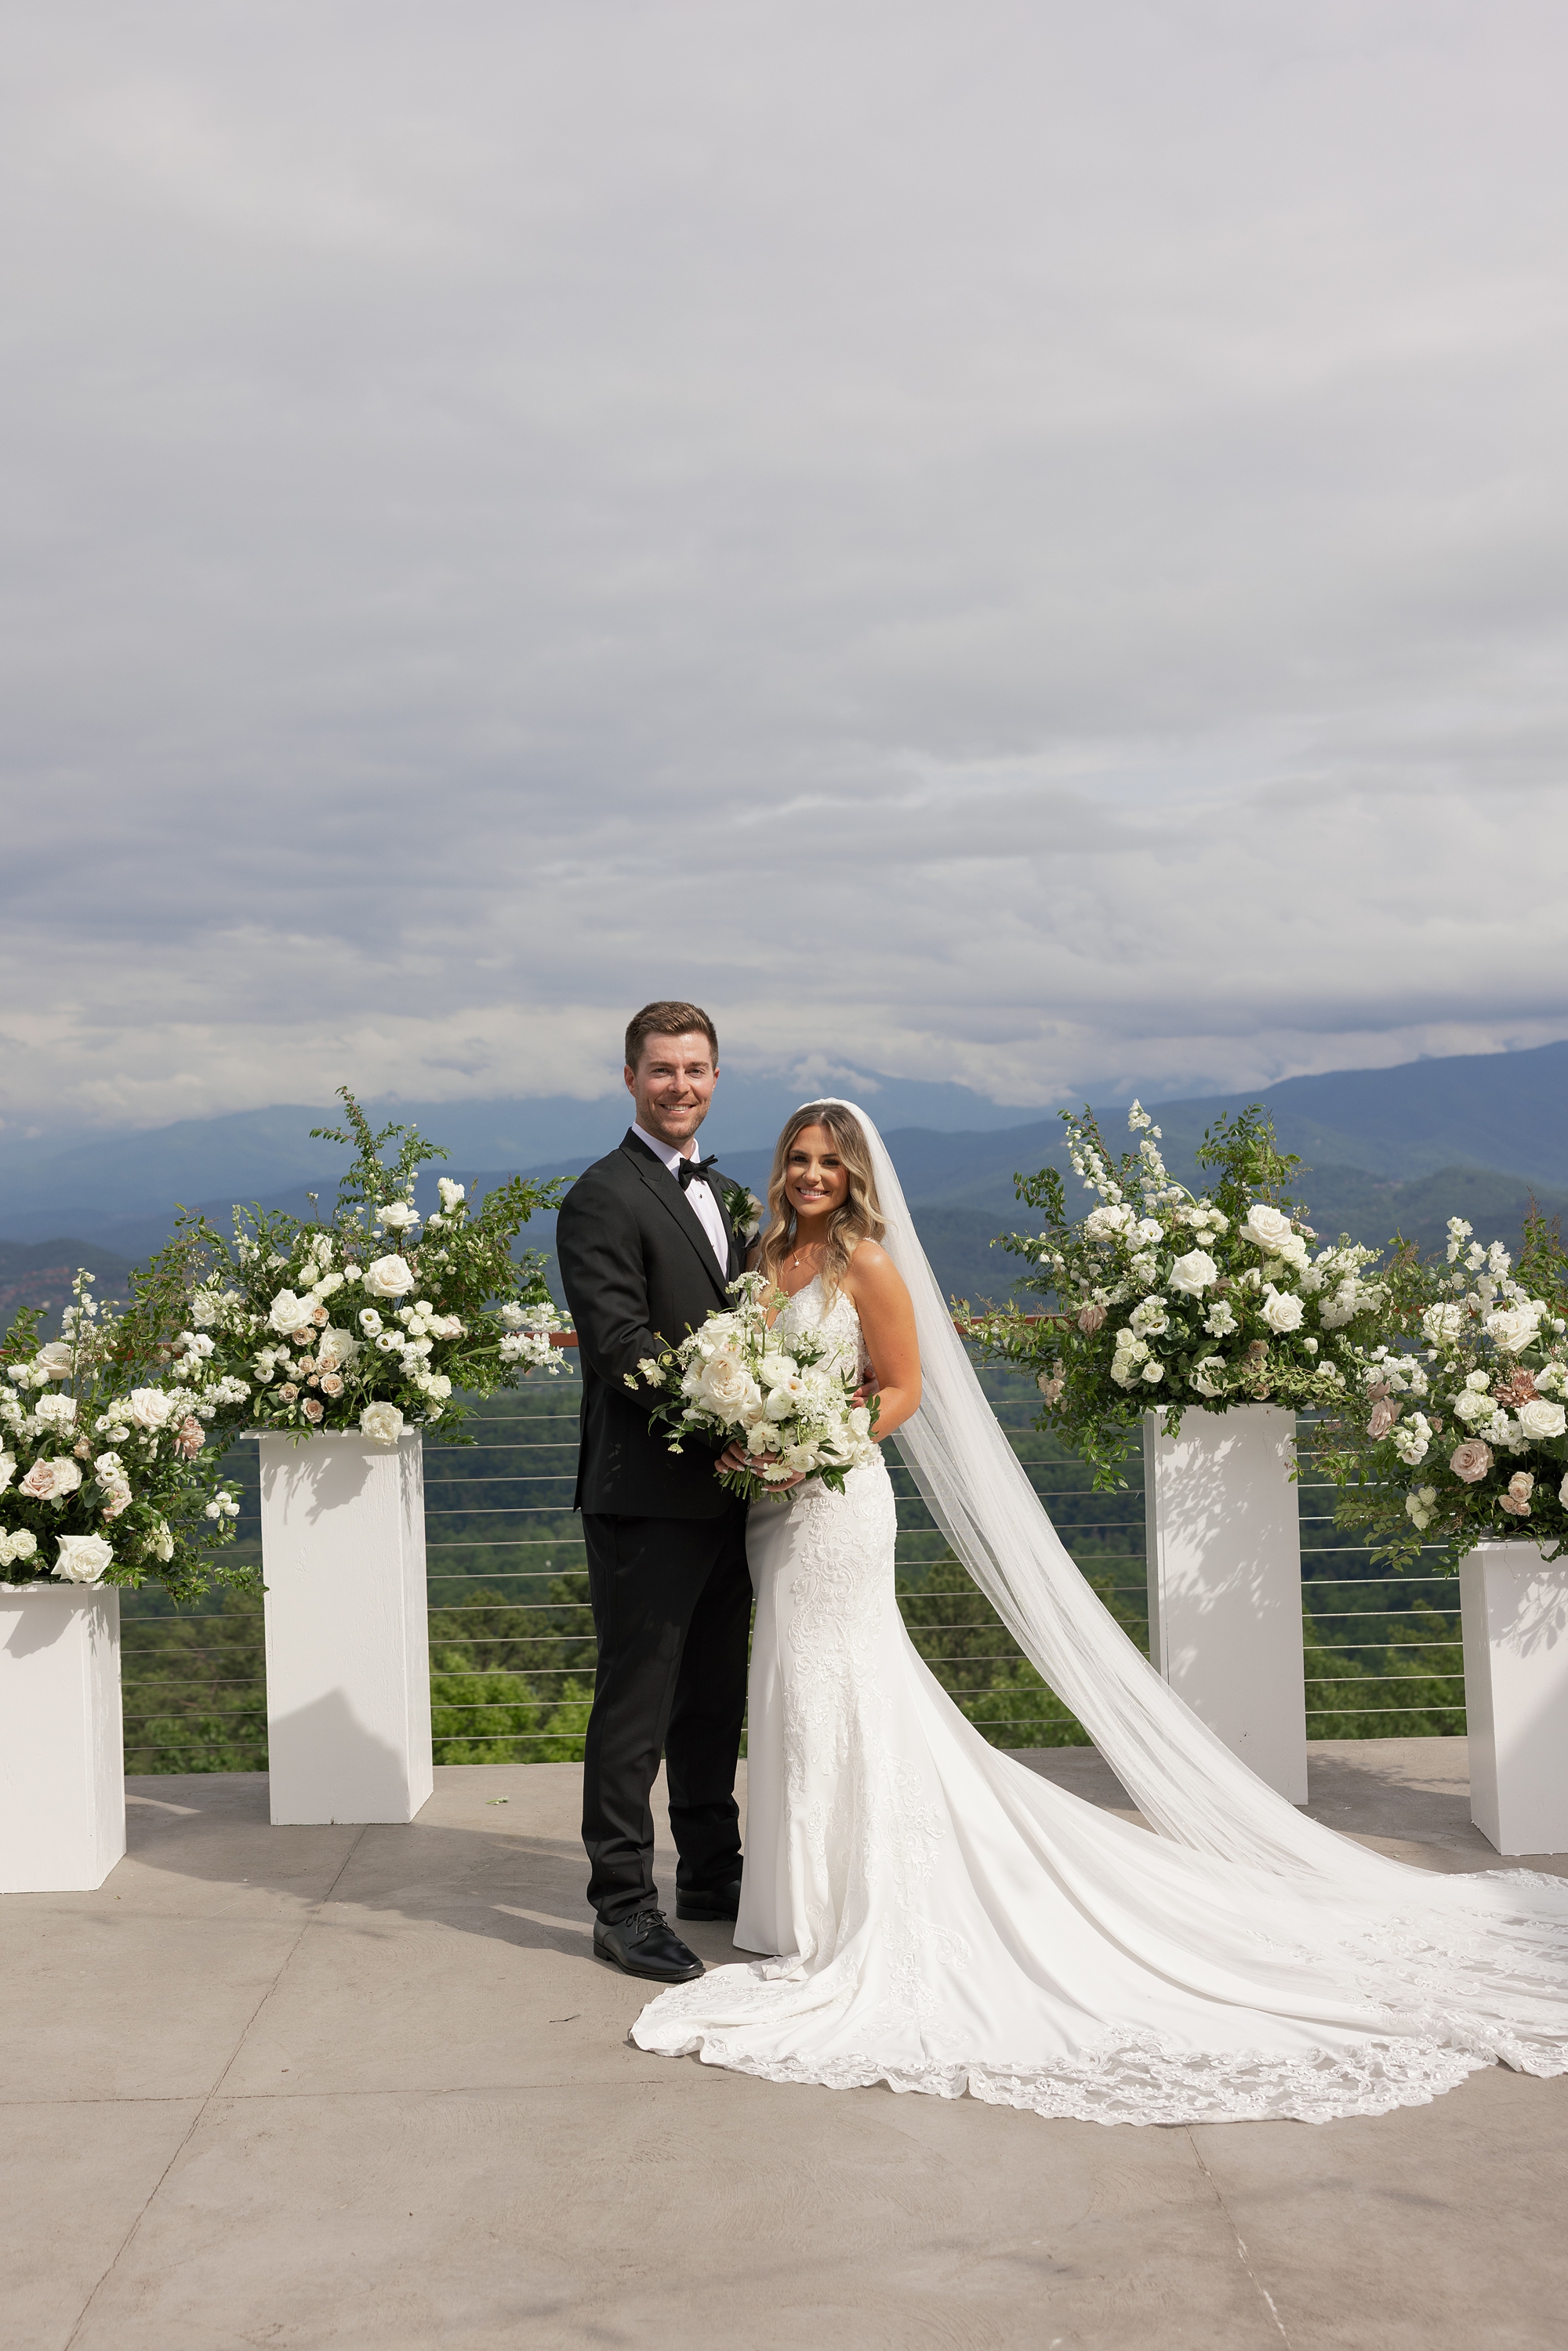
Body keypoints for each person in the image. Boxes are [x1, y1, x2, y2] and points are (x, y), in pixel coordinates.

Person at [629, 1099, 1568, 2125]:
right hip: (773, 1510)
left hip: (840, 1507)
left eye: (828, 1162)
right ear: (781, 1169)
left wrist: (825, 1439)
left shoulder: (871, 1267)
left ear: (855, 1174)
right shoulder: (767, 1262)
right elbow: (745, 1374)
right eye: (798, 1159)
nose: (811, 1174)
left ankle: (851, 1902)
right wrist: (745, 1433)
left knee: (837, 1685)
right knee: (795, 1689)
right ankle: (806, 1896)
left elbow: (903, 1387)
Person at [554, 1002, 752, 1986]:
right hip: (646, 1492)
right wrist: (739, 1411)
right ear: (629, 1076)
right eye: (662, 1069)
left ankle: (712, 1871)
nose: (680, 1086)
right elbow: (619, 1344)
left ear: (716, 1077)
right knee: (638, 1702)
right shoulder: (601, 1195)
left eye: (697, 1069)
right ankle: (621, 1905)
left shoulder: (730, 1192)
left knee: (714, 1697)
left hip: (733, 1493)